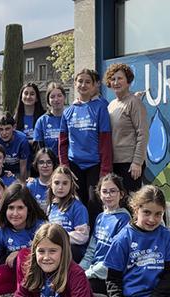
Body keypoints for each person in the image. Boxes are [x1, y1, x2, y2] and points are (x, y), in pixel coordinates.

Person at [59, 69, 112, 227]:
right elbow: (62, 143)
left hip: (94, 165)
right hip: (74, 165)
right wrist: (64, 167)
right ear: (75, 84)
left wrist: (105, 171)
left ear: (95, 85)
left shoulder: (101, 107)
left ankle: (93, 240)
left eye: (87, 82)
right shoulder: (68, 111)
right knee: (76, 202)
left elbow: (105, 141)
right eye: (80, 81)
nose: (83, 85)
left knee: (93, 203)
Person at [0, 183, 46, 296]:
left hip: (39, 274)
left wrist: (20, 253)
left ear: (29, 209)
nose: (15, 213)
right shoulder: (2, 232)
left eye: (20, 208)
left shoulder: (40, 227)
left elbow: (48, 251)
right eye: (11, 208)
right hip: (14, 275)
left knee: (22, 256)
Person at [80, 173, 130, 297]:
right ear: (99, 194)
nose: (108, 195)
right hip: (95, 269)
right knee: (74, 283)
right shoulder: (100, 217)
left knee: (79, 290)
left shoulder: (124, 219)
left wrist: (86, 274)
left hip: (109, 274)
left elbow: (115, 259)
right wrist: (79, 270)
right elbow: (91, 250)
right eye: (105, 191)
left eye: (113, 191)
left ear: (121, 194)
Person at [106, 63, 149, 198]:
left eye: (120, 78)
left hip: (130, 165)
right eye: (113, 79)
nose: (116, 82)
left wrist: (137, 162)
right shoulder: (111, 105)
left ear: (128, 81)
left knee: (131, 203)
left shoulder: (134, 102)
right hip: (114, 163)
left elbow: (142, 133)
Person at [47, 166, 90, 263]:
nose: (60, 187)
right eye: (57, 183)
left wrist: (59, 238)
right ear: (51, 185)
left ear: (71, 185)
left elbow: (83, 236)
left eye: (65, 183)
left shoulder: (78, 207)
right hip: (54, 249)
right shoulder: (51, 207)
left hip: (72, 252)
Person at [0, 113, 30, 182]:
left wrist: (22, 184)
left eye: (7, 129)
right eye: (1, 129)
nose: (4, 133)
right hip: (2, 169)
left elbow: (23, 166)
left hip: (18, 170)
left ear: (14, 127)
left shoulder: (22, 140)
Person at [33, 82, 66, 157]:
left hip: (68, 163)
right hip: (49, 163)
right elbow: (38, 148)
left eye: (59, 96)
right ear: (48, 100)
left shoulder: (69, 118)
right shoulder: (42, 121)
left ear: (64, 97)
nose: (56, 99)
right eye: (52, 97)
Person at [27, 148, 58, 212]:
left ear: (53, 164)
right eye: (41, 162)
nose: (45, 165)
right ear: (36, 165)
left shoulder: (59, 186)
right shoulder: (30, 186)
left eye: (49, 162)